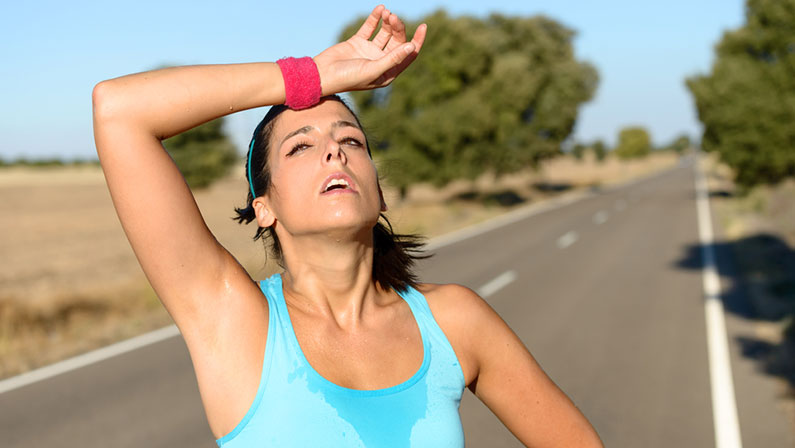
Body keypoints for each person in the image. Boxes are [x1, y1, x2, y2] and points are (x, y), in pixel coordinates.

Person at [92, 5, 603, 447]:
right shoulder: (236, 322)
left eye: (351, 140)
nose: (334, 150)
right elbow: (119, 111)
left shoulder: (454, 321)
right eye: (301, 146)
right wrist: (310, 76)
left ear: (377, 191)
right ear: (263, 205)